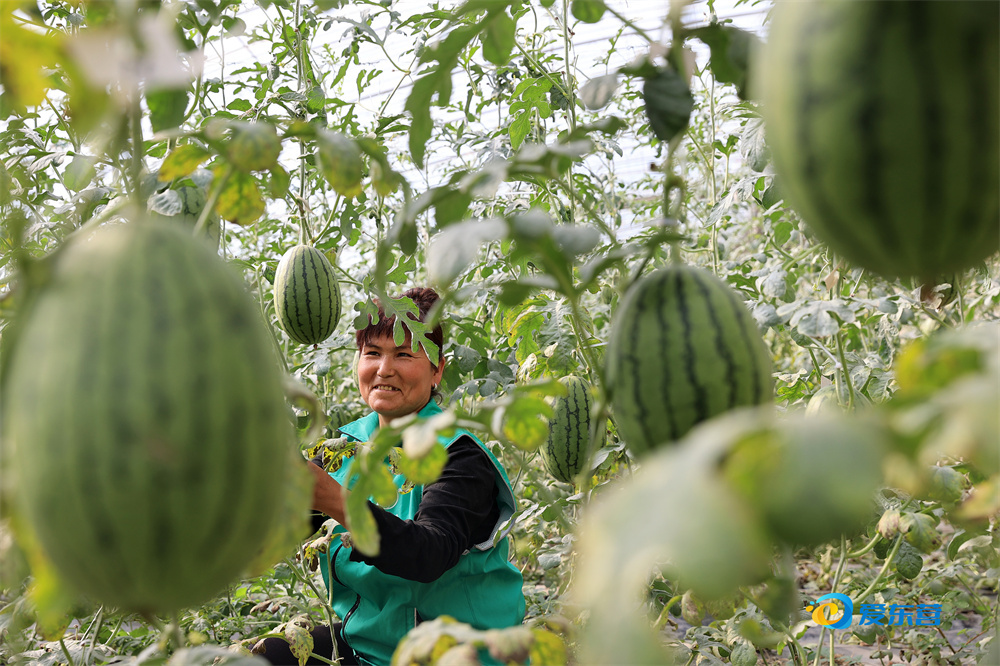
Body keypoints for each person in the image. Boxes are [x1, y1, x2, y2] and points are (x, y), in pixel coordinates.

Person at [255, 287, 526, 666]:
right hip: (370, 645)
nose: (384, 369)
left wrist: (334, 499)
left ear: (437, 370)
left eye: (403, 354)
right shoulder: (344, 446)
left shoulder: (459, 454)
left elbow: (429, 554)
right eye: (372, 353)